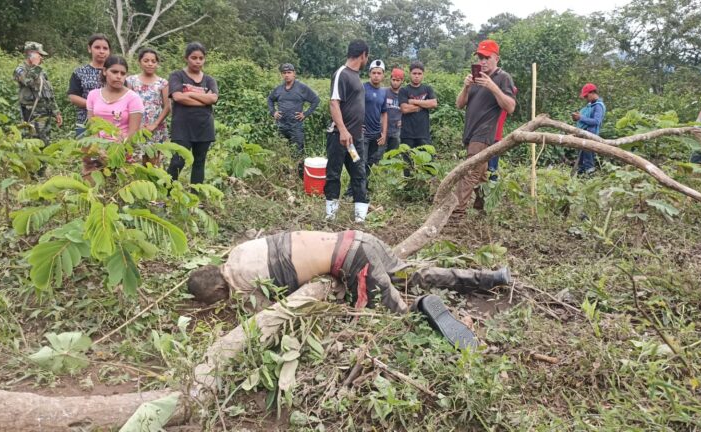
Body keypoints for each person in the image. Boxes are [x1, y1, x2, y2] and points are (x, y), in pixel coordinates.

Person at [187, 230, 511, 348]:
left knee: (393, 316)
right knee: (417, 274)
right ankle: (491, 278)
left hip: (354, 259)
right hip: (358, 238)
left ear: (218, 288)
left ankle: (418, 307)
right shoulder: (239, 252)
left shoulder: (241, 284)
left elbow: (263, 318)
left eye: (216, 299)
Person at [451, 40, 516, 220]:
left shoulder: (503, 78)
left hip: (485, 132)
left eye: (487, 57)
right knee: (480, 174)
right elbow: (459, 104)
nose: (483, 61)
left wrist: (492, 86)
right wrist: (466, 87)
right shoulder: (476, 78)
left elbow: (510, 107)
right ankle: (483, 208)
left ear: (497, 58)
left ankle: (457, 213)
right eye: (480, 57)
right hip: (471, 133)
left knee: (469, 171)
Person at [324, 40, 370, 222]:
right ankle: (330, 216)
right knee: (334, 174)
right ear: (363, 55)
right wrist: (343, 130)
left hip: (355, 140)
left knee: (359, 173)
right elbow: (334, 102)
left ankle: (360, 219)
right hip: (340, 138)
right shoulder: (341, 74)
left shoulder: (356, 75)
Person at [167, 42, 219, 186]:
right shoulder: (177, 76)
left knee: (199, 161)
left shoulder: (209, 80)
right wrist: (204, 100)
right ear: (186, 58)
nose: (197, 61)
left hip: (204, 126)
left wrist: (188, 93)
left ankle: (195, 199)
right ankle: (166, 195)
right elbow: (177, 97)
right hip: (182, 126)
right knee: (178, 161)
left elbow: (214, 98)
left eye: (201, 58)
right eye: (194, 57)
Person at [83, 55, 143, 178]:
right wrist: (98, 149)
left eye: (123, 73)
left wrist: (115, 152)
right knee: (93, 188)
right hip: (97, 148)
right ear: (105, 71)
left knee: (118, 187)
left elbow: (133, 132)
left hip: (122, 150)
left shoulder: (133, 98)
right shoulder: (93, 95)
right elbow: (91, 126)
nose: (119, 76)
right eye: (114, 72)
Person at [13, 41, 62, 176]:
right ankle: (32, 173)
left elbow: (48, 93)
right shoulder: (20, 70)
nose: (42, 58)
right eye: (40, 55)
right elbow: (27, 81)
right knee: (33, 143)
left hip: (45, 114)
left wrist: (56, 111)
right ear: (31, 54)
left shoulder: (41, 72)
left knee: (45, 142)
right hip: (32, 114)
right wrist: (34, 65)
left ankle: (42, 171)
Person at [267, 63, 320, 178]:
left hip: (295, 127)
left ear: (294, 74)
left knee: (298, 153)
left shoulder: (301, 87)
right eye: (284, 73)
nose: (287, 75)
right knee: (282, 152)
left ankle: (300, 178)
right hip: (281, 126)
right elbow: (270, 100)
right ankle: (284, 176)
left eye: (289, 72)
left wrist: (305, 114)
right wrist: (273, 112)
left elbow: (315, 100)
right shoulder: (279, 89)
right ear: (282, 75)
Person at [345, 59, 388, 197]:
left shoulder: (383, 92)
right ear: (369, 73)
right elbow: (352, 106)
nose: (376, 75)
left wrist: (384, 133)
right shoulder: (362, 88)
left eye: (379, 73)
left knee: (369, 163)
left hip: (376, 134)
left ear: (383, 75)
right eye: (374, 72)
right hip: (362, 134)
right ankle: (352, 192)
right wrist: (356, 124)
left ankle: (362, 187)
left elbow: (384, 113)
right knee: (358, 162)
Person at [126, 48, 171, 166]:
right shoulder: (131, 81)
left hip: (155, 129)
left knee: (153, 162)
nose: (150, 64)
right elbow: (126, 104)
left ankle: (152, 184)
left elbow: (167, 107)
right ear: (139, 62)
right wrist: (135, 126)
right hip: (136, 128)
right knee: (135, 162)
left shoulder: (162, 83)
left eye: (153, 61)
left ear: (157, 63)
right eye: (146, 60)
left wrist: (154, 125)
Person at [68, 34, 111, 136]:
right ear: (89, 49)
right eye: (97, 47)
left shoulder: (115, 72)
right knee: (85, 151)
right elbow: (73, 96)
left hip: (111, 122)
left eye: (105, 48)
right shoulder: (80, 72)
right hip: (85, 121)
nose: (101, 51)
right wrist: (95, 106)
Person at [398, 62, 437, 148]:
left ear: (423, 75)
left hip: (423, 134)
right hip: (407, 135)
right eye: (414, 73)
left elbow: (433, 103)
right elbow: (404, 109)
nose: (417, 76)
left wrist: (412, 101)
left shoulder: (428, 89)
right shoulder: (403, 90)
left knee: (426, 160)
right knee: (408, 161)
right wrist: (424, 104)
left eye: (419, 74)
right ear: (410, 74)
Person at [571, 83, 606, 175]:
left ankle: (590, 178)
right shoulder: (590, 105)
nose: (586, 98)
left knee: (588, 160)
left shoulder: (598, 106)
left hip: (591, 135)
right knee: (581, 159)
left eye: (586, 96)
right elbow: (585, 118)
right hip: (584, 135)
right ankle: (581, 180)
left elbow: (596, 121)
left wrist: (580, 118)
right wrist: (577, 118)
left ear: (592, 93)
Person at [487, 86, 518, 182]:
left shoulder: (503, 101)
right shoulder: (490, 102)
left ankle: (491, 189)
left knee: (492, 168)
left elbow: (513, 89)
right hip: (485, 137)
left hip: (494, 137)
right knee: (485, 168)